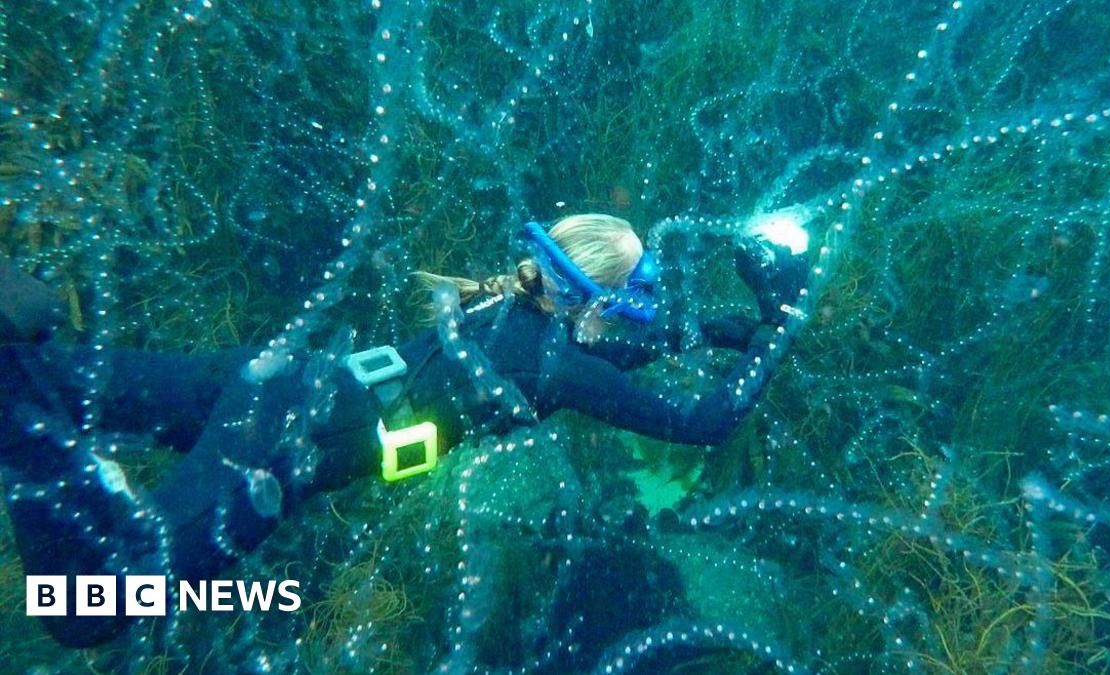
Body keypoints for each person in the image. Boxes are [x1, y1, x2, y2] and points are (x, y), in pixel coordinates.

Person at [0, 213, 808, 646]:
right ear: (593, 299)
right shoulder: (552, 363)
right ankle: (77, 465)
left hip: (274, 381)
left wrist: (750, 324)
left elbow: (640, 345)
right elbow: (705, 419)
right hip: (279, 448)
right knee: (85, 608)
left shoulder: (523, 313)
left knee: (42, 381)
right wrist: (784, 323)